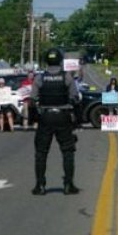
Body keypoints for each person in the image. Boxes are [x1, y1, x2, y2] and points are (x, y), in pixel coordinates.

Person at [31, 48, 81, 195]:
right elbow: (75, 98)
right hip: (63, 116)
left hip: (45, 117)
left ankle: (40, 185)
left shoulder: (40, 78)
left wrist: (35, 118)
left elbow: (32, 100)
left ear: (46, 60)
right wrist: (77, 120)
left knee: (41, 152)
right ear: (60, 60)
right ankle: (68, 184)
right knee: (68, 151)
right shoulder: (66, 77)